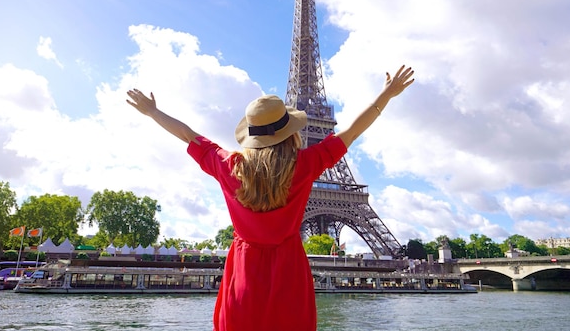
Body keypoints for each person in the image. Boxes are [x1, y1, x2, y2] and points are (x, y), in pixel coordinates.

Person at [126, 65, 414, 331]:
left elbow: (188, 135)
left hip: (244, 273)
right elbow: (351, 132)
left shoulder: (229, 166)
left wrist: (153, 111)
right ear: (289, 133)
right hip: (288, 272)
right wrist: (386, 95)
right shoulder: (303, 165)